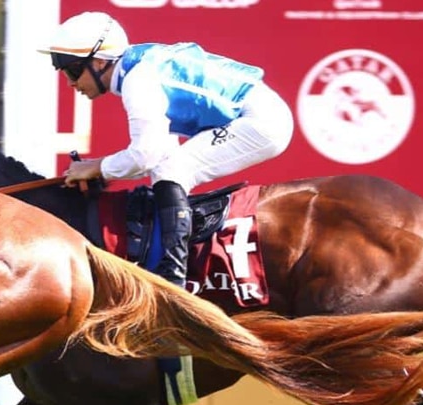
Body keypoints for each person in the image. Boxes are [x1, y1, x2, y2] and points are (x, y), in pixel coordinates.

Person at [39, 13, 293, 287]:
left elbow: (146, 154)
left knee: (171, 168)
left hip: (261, 121)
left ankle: (173, 278)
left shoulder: (138, 81)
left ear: (100, 62)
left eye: (73, 70)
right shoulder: (135, 66)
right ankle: (175, 265)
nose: (70, 82)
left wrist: (97, 167)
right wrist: (102, 168)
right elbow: (158, 149)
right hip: (260, 111)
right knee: (167, 165)